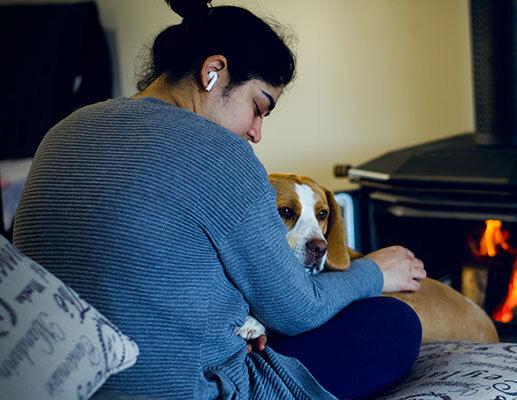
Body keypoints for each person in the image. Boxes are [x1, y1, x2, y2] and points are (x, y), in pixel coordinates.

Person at [12, 1, 426, 399]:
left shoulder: (64, 131)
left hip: (63, 380)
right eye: (258, 106)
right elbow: (299, 310)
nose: (256, 132)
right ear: (213, 72)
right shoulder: (222, 154)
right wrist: (373, 271)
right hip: (186, 389)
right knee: (391, 324)